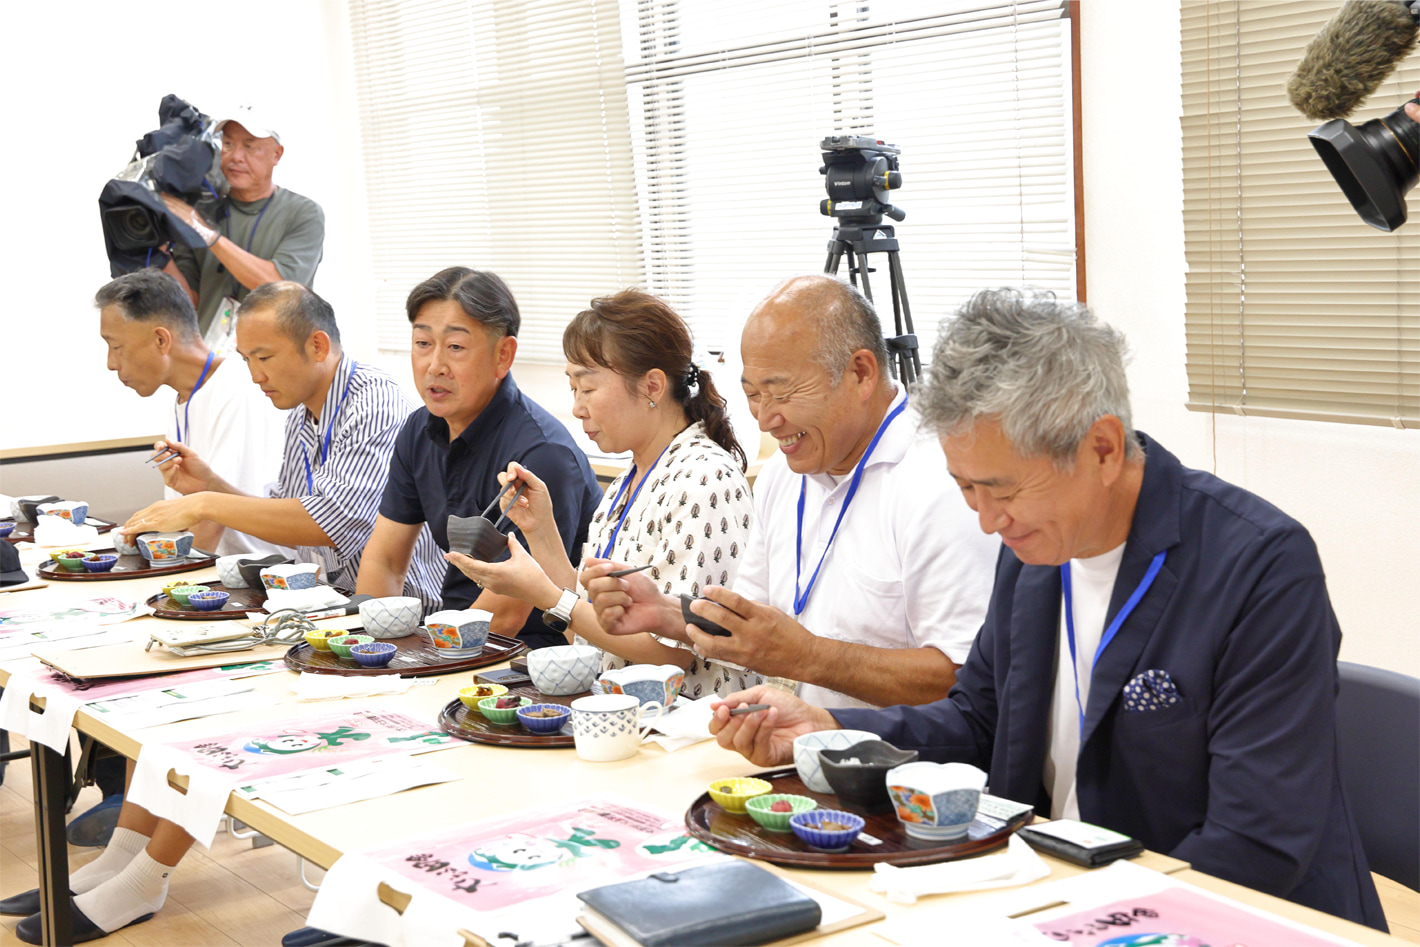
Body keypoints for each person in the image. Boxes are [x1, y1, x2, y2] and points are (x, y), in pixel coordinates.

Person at [707, 288, 1387, 930]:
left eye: (999, 490)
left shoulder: (1257, 566)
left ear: (1102, 448)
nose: (984, 520)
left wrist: (1076, 915)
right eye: (965, 488)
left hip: (1215, 915)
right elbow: (977, 722)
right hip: (1049, 895)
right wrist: (828, 728)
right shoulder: (1035, 550)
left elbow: (1256, 843)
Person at [582, 275, 997, 709]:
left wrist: (807, 657)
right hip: (791, 749)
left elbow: (963, 679)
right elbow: (747, 623)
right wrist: (664, 613)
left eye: (780, 392)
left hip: (901, 768)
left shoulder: (940, 481)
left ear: (861, 373)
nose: (765, 419)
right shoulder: (785, 474)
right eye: (752, 395)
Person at [447, 289, 759, 696]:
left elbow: (670, 655)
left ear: (651, 386)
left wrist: (541, 594)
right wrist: (540, 531)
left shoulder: (704, 479)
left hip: (691, 732)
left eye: (587, 388)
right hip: (622, 716)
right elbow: (589, 634)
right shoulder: (631, 479)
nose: (577, 407)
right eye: (573, 389)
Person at [120, 281, 444, 607]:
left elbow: (330, 521)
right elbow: (288, 522)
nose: (256, 376)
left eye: (264, 357)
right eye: (247, 360)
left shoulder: (374, 402)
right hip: (339, 604)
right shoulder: (302, 412)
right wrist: (211, 486)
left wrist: (204, 503)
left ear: (317, 346)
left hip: (408, 615)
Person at [355, 267, 601, 649]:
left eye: (455, 347)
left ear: (503, 355)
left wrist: (420, 660)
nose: (434, 365)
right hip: (447, 640)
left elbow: (506, 613)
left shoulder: (540, 452)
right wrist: (372, 648)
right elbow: (384, 560)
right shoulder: (418, 431)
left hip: (525, 656)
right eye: (422, 343)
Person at [95, 268, 286, 558]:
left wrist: (164, 583)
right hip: (211, 573)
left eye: (116, 347)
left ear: (161, 340)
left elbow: (214, 516)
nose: (111, 363)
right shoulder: (186, 396)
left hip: (252, 580)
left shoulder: (237, 387)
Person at [160, 105, 324, 343]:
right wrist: (160, 247)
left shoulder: (304, 213)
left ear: (277, 154)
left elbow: (280, 285)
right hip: (211, 357)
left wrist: (207, 234)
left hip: (278, 356)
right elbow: (189, 301)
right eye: (228, 144)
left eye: (249, 146)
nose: (236, 156)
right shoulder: (201, 212)